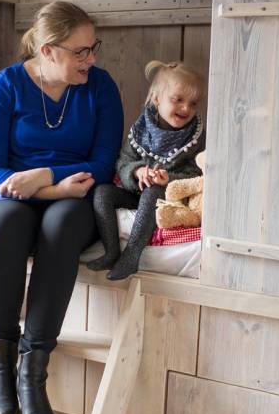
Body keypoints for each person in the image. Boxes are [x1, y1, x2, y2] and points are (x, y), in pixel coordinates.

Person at [0, 1, 123, 414]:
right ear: (47, 51)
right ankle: (1, 366)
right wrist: (49, 187)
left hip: (75, 193)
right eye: (80, 51)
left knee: (59, 227)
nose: (91, 59)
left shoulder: (100, 87)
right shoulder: (5, 87)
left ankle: (32, 375)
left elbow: (102, 162)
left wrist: (48, 177)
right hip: (11, 194)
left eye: (93, 48)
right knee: (5, 226)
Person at [87, 61, 205, 280]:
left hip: (169, 197)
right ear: (157, 99)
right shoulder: (141, 130)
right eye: (178, 100)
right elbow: (123, 162)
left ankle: (132, 255)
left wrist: (169, 179)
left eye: (193, 103)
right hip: (136, 191)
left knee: (152, 193)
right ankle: (112, 251)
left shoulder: (196, 138)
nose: (186, 108)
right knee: (102, 192)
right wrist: (138, 171)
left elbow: (198, 176)